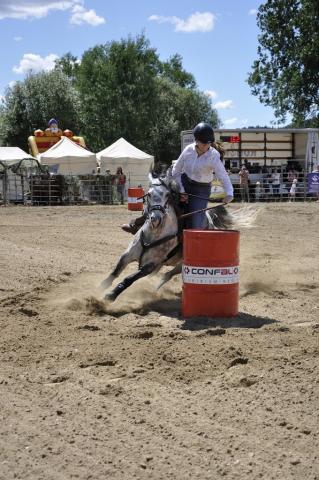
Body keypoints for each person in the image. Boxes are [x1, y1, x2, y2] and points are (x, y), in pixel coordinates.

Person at [121, 122, 233, 233]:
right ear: (196, 140)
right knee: (159, 199)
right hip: (183, 182)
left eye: (208, 144)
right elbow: (176, 171)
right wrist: (182, 190)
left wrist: (229, 193)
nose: (206, 147)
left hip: (201, 190)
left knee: (195, 223)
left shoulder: (214, 156)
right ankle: (136, 225)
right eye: (203, 144)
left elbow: (223, 175)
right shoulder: (188, 150)